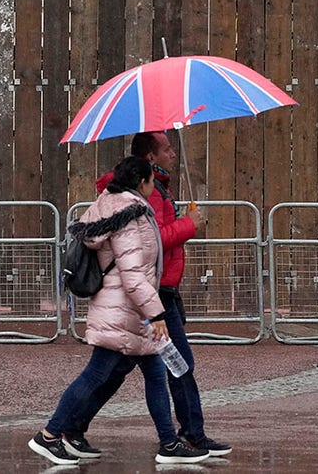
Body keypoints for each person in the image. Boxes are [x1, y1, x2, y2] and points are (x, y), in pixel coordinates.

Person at [27, 156, 210, 466]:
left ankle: (168, 442)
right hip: (125, 313)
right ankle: (48, 435)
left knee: (154, 375)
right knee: (95, 375)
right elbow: (133, 274)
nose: (154, 187)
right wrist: (158, 314)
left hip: (125, 311)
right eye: (152, 181)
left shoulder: (110, 205)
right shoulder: (130, 215)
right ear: (142, 182)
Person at [61, 131, 232, 459]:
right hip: (153, 296)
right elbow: (147, 245)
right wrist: (189, 225)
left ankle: (73, 427)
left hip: (152, 293)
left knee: (120, 371)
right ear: (149, 160)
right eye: (167, 149)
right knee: (173, 365)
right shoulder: (144, 195)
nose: (172, 154)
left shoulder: (154, 188)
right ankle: (186, 437)